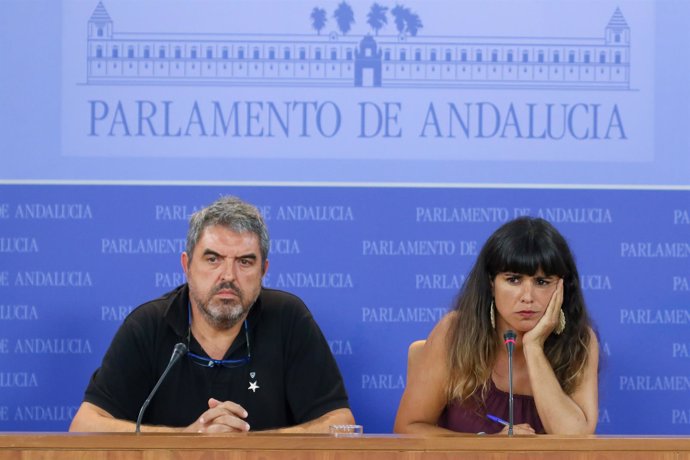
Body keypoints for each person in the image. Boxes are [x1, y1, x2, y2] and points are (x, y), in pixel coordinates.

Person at [70, 196, 354, 433]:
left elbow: (340, 423)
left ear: (263, 271)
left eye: (244, 262)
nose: (228, 276)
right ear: (187, 265)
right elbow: (85, 425)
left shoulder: (288, 319)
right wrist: (187, 438)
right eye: (213, 259)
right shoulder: (149, 325)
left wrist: (248, 446)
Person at [394, 217, 599, 435]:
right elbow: (408, 429)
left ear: (562, 287)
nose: (527, 297)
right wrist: (489, 446)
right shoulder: (456, 333)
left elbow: (576, 441)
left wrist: (534, 347)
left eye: (542, 282)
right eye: (513, 280)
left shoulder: (579, 341)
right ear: (492, 284)